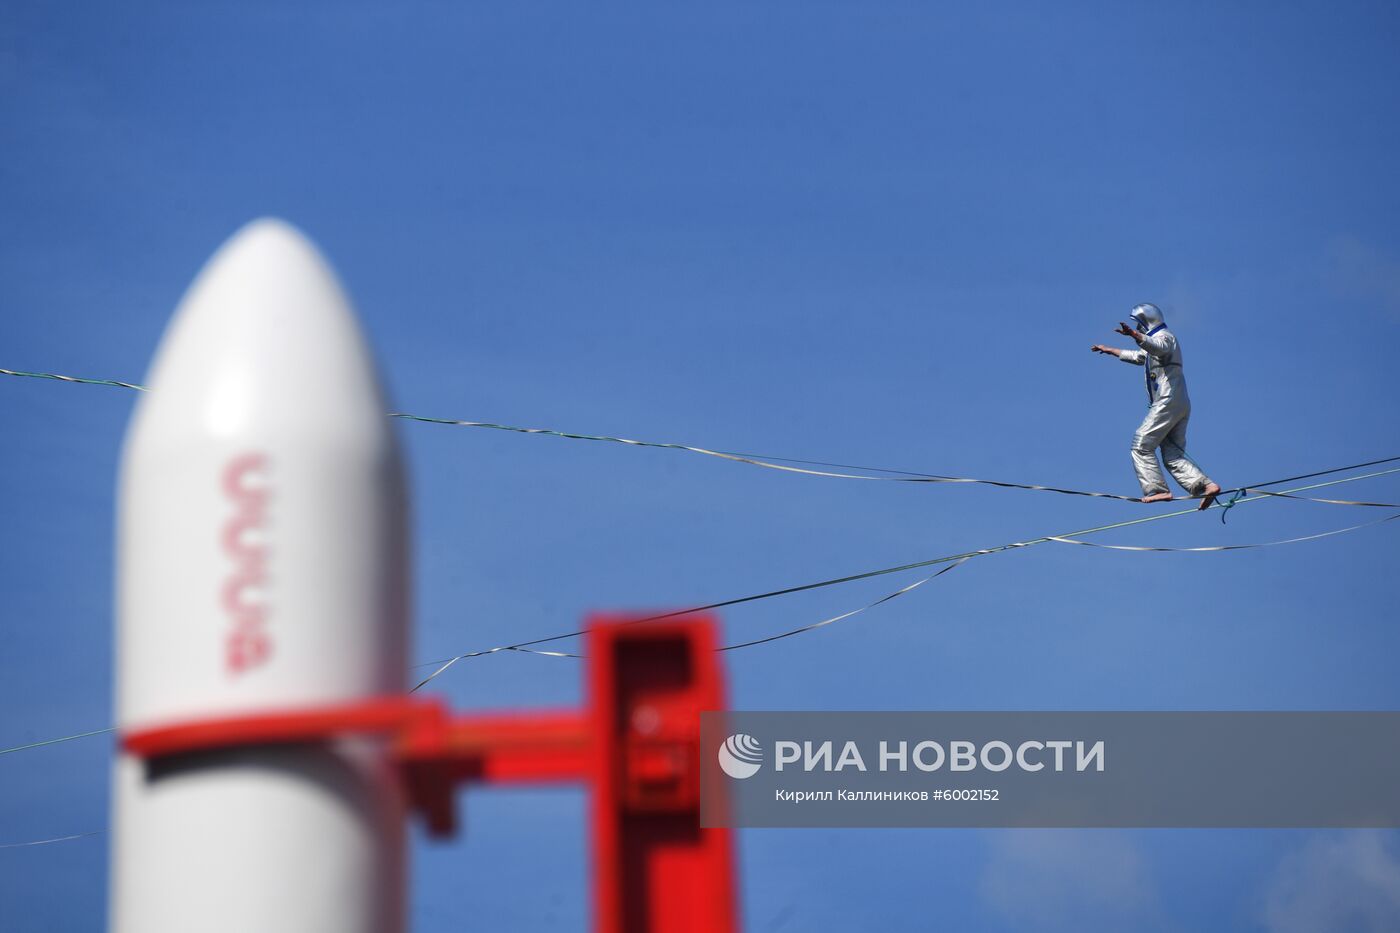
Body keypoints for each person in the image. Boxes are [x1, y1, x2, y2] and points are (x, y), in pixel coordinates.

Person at [1091, 303, 1222, 508]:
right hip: (1179, 403)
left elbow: (1157, 347)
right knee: (1172, 454)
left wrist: (1136, 335)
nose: (1140, 329)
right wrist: (1110, 350)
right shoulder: (1156, 344)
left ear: (1146, 322)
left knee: (1141, 444)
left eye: (1139, 325)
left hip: (1168, 400)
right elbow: (1139, 356)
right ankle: (1205, 486)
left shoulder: (1166, 338)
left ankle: (1157, 490)